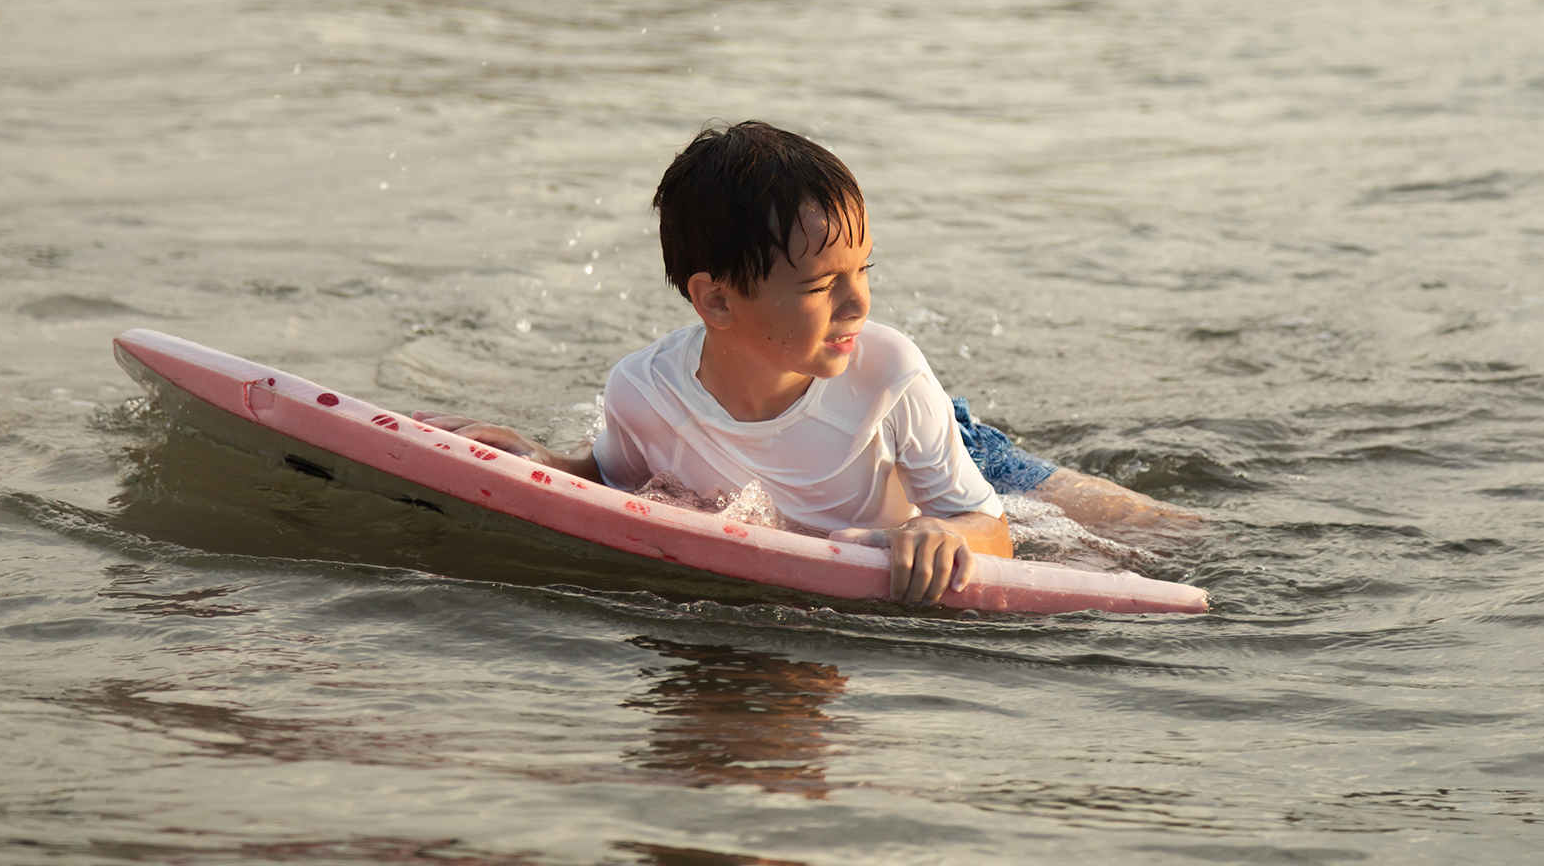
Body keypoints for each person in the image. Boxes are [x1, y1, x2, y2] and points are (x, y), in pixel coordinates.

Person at [417, 121, 1192, 604]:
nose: (859, 303)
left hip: (928, 440)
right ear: (716, 301)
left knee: (1177, 538)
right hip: (853, 434)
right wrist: (538, 461)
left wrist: (946, 534)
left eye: (865, 273)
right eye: (825, 286)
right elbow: (617, 482)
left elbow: (992, 528)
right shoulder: (642, 392)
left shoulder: (890, 367)